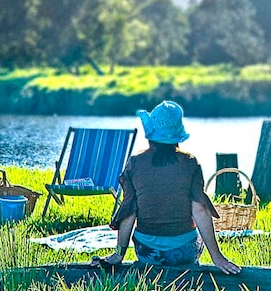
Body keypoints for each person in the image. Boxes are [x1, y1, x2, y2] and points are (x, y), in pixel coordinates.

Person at [92, 100, 241, 274]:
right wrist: (217, 257)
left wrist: (118, 254)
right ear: (176, 136)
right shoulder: (190, 163)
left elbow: (129, 211)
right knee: (193, 237)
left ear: (151, 134)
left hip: (147, 253)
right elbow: (199, 209)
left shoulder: (135, 163)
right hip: (185, 252)